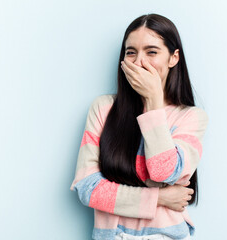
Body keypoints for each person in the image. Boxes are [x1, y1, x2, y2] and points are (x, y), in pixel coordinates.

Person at [70, 13, 209, 240]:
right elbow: (88, 189)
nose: (138, 62)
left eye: (151, 52)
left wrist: (154, 101)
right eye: (131, 52)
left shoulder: (191, 117)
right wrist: (160, 198)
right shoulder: (104, 108)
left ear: (173, 58)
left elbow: (164, 172)